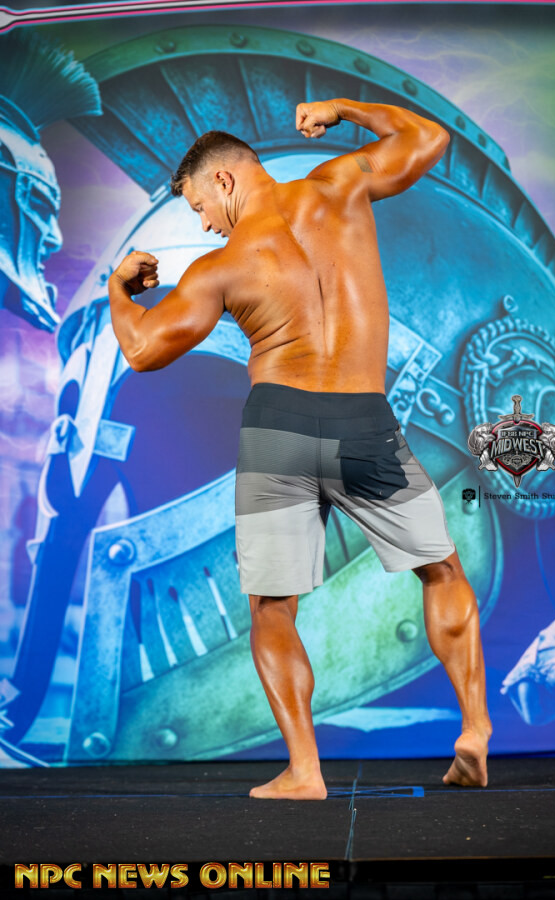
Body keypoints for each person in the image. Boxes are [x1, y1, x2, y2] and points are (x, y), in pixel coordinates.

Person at [108, 98, 492, 800]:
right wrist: (343, 109)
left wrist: (118, 288)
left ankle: (306, 771)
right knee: (440, 572)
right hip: (363, 421)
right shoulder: (339, 186)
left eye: (199, 206)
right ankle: (473, 728)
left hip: (278, 427)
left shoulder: (221, 268)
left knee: (273, 610)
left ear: (224, 179)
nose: (204, 223)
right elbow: (428, 137)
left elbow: (140, 349)